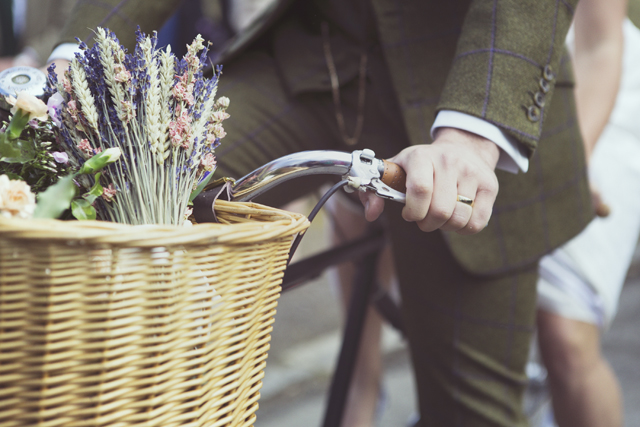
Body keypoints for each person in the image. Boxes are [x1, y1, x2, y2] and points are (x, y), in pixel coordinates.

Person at [48, 1, 592, 425]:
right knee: (110, 190)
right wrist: (72, 60)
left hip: (461, 94)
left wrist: (473, 135)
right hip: (307, 66)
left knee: (473, 411)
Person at [535, 0, 638, 425]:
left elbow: (600, 43)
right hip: (455, 102)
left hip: (593, 95)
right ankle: (360, 396)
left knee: (566, 331)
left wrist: (571, 164)